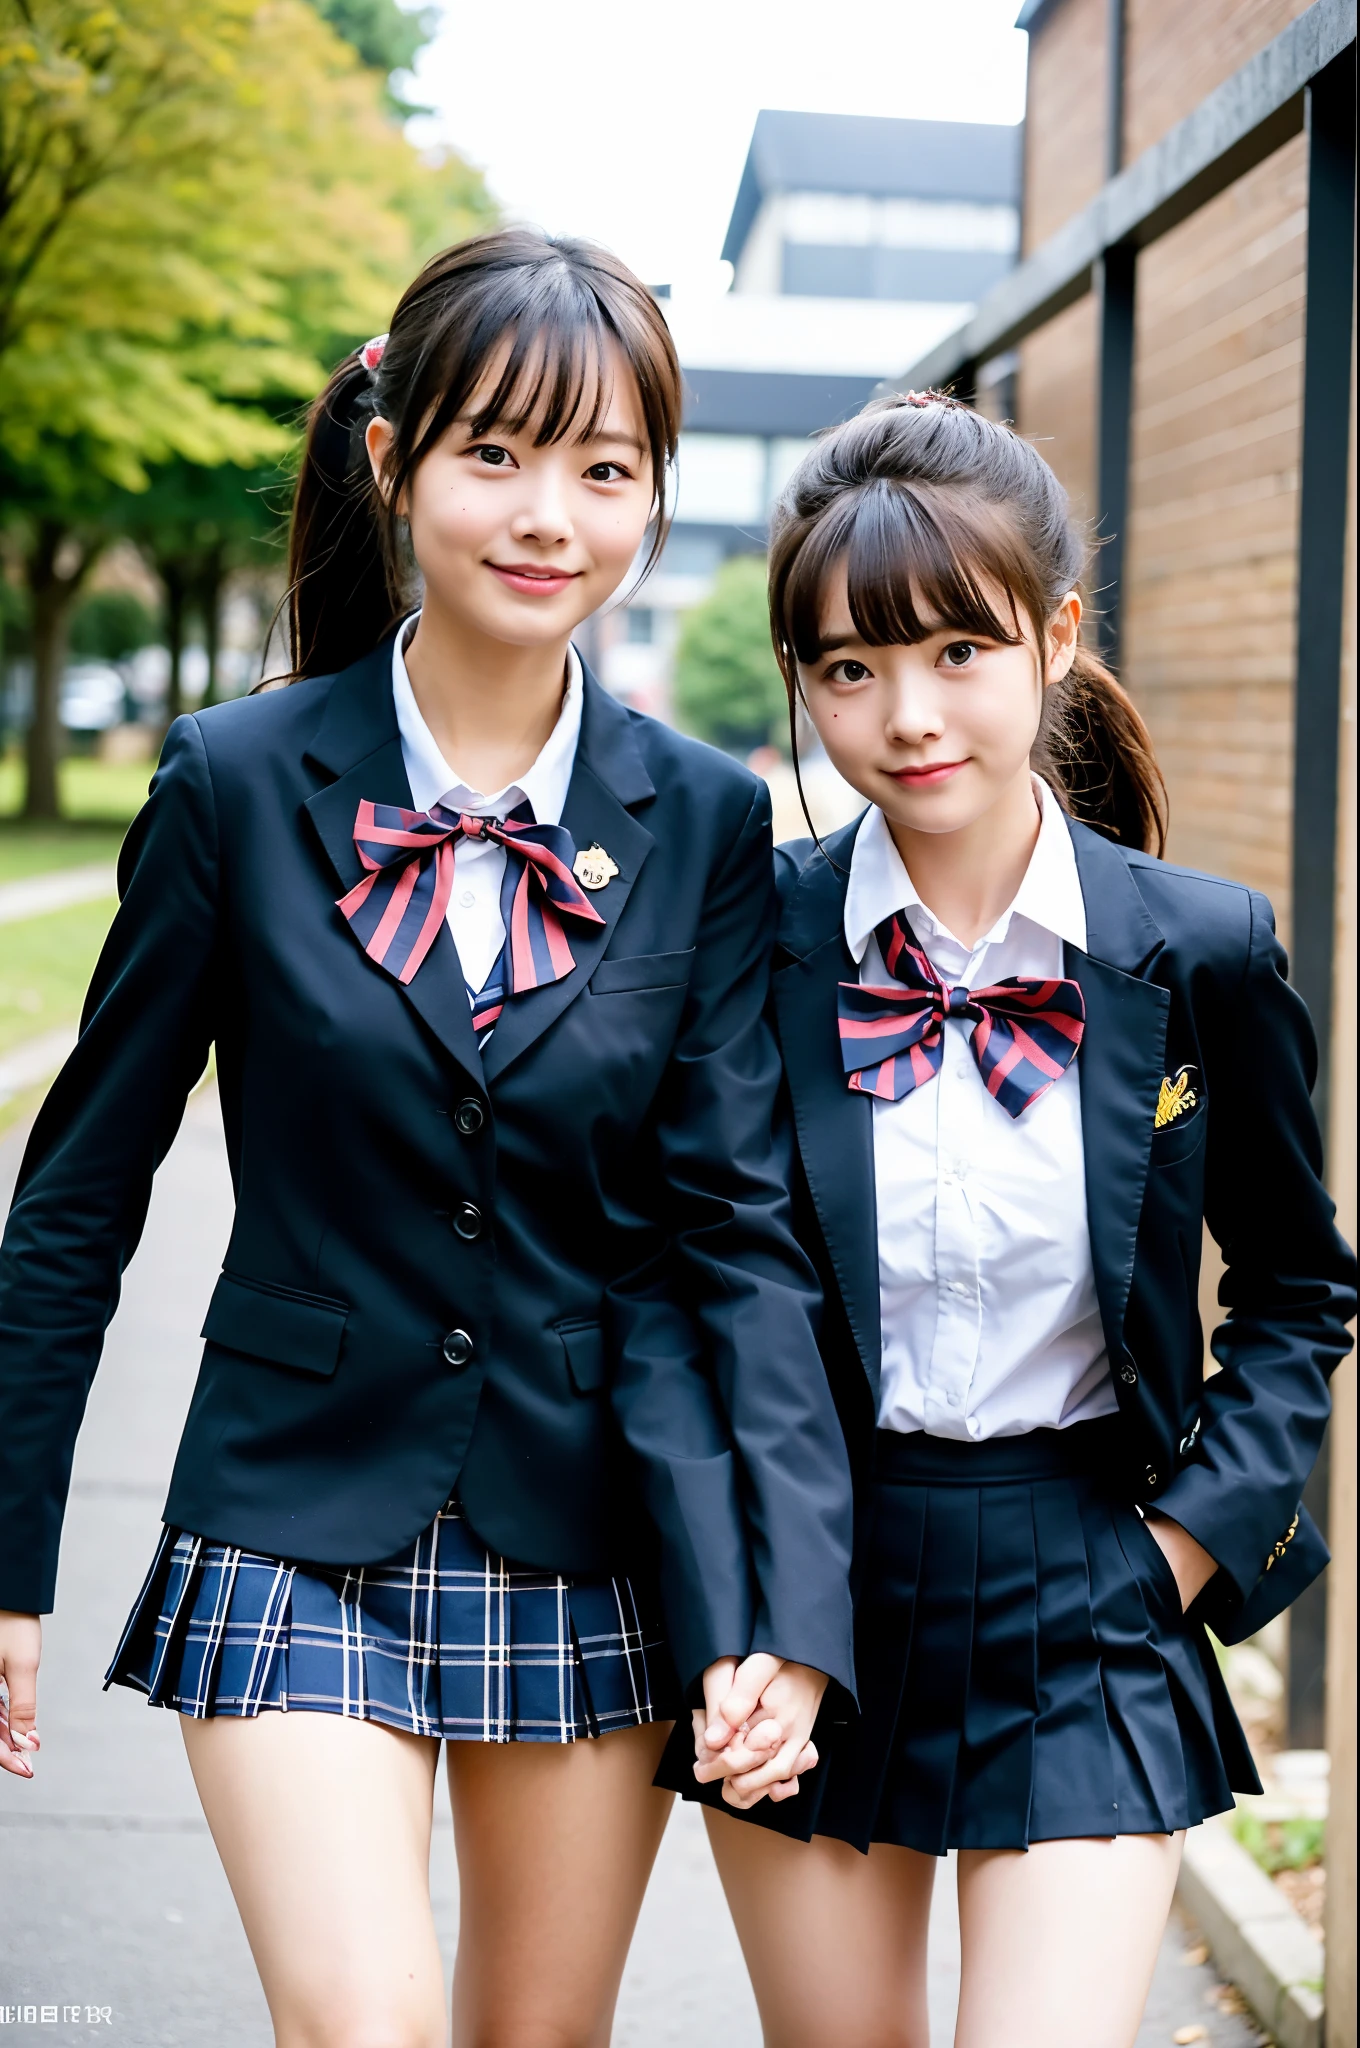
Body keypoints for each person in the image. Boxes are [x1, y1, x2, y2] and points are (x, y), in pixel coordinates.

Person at [0, 229, 855, 2048]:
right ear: (392, 461)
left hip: (590, 1519)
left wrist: (784, 1596)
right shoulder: (234, 781)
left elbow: (737, 1234)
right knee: (367, 2027)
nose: (552, 513)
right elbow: (78, 1191)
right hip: (290, 1505)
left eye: (606, 468)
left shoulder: (702, 822)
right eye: (496, 454)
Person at [662, 393, 1357, 2048]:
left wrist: (1181, 1549)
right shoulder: (752, 938)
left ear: (1051, 639)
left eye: (957, 651)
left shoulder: (1199, 951)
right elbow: (691, 1287)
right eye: (845, 668)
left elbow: (1298, 1288)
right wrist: (740, 1617)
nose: (905, 716)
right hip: (812, 1577)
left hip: (1092, 1583)